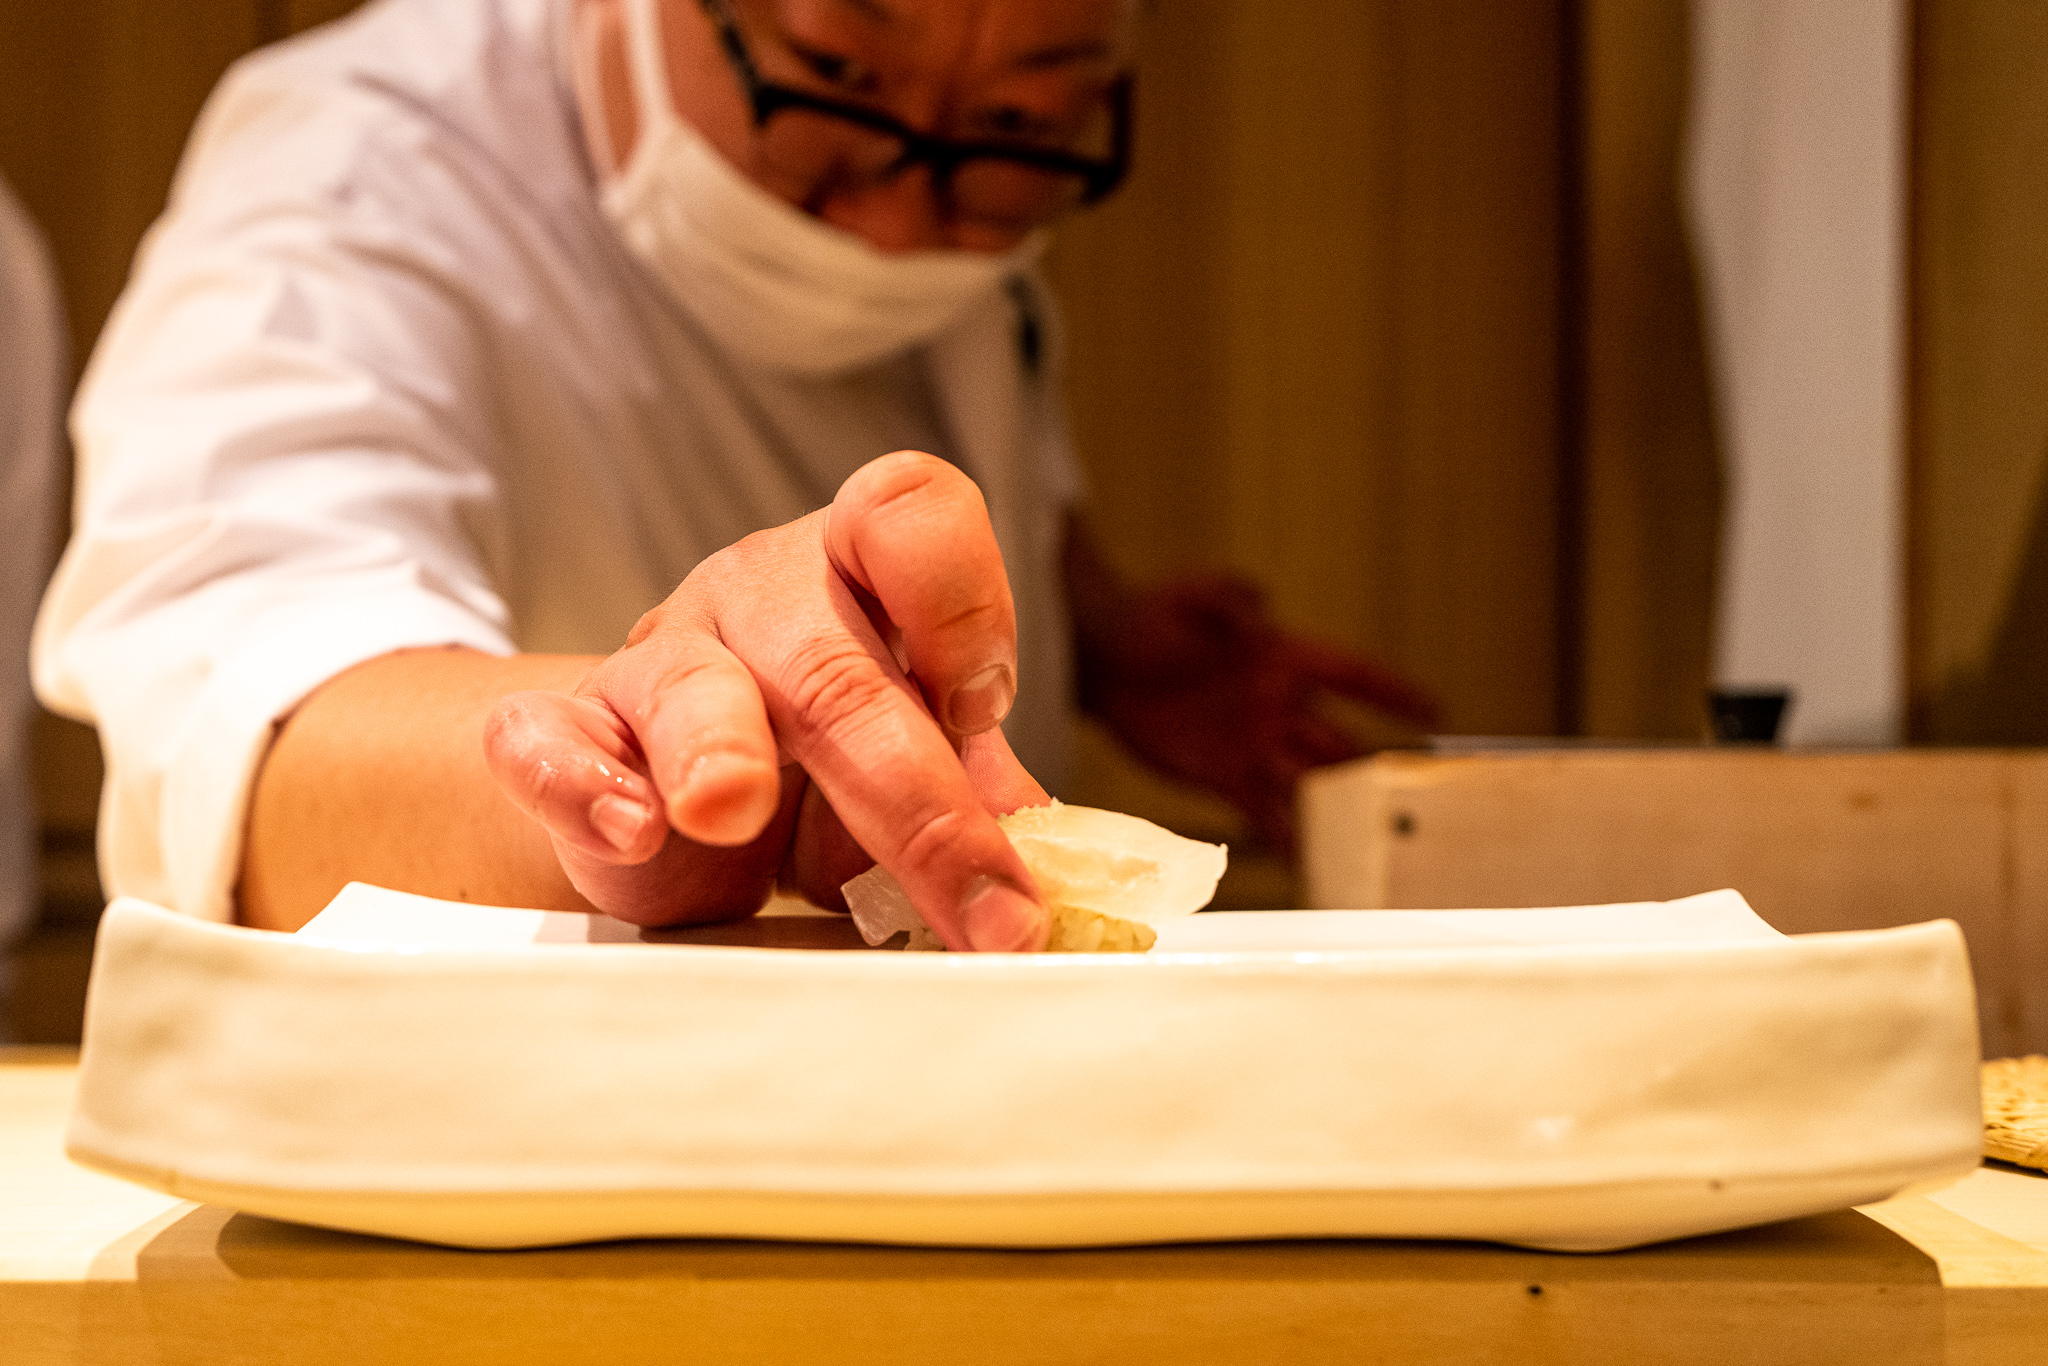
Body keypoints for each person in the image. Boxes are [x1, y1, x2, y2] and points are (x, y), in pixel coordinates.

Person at [33, 0, 1433, 952]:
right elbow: (261, 745)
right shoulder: (355, 174)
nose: (894, 227)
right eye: (835, 78)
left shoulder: (963, 209)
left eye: (1022, 121)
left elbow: (961, 436)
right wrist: (652, 762)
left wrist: (1106, 638)